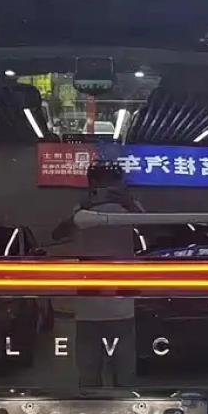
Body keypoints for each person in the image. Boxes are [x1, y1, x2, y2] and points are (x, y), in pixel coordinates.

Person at [53, 159, 143, 386]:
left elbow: (154, 233)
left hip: (121, 302)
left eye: (112, 182)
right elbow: (57, 234)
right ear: (91, 184)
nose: (107, 187)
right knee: (90, 371)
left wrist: (130, 205)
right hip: (90, 304)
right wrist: (80, 211)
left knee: (123, 372)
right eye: (101, 182)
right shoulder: (82, 209)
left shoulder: (131, 207)